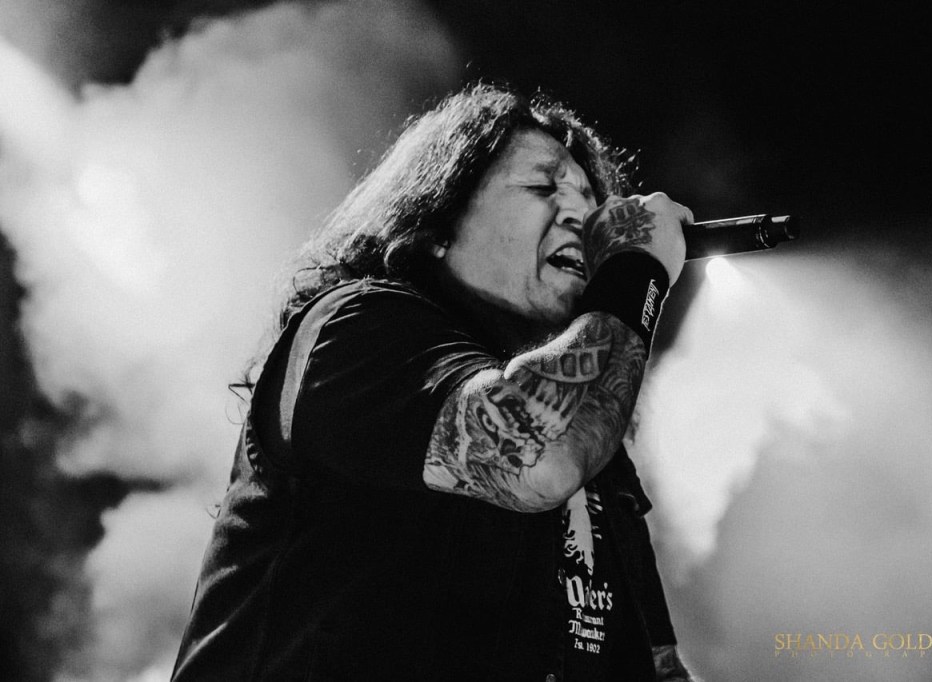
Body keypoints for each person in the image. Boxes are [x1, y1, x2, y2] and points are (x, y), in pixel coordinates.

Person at [172, 82, 697, 681]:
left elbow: (657, 664)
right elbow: (538, 458)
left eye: (589, 196)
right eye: (543, 187)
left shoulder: (593, 437)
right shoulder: (355, 331)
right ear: (438, 225)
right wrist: (636, 268)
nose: (584, 216)